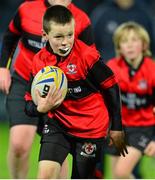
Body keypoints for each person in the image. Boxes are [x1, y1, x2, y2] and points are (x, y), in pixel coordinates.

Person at [24, 5, 128, 179]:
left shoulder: (87, 56)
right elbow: (28, 104)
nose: (66, 42)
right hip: (58, 125)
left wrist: (117, 127)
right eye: (58, 36)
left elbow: (111, 87)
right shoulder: (39, 62)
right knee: (45, 175)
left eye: (70, 35)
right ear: (44, 35)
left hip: (90, 128)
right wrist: (40, 109)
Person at [0, 0, 95, 178]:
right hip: (23, 81)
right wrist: (3, 67)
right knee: (19, 145)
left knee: (58, 152)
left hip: (61, 89)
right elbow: (10, 36)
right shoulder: (26, 9)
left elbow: (90, 62)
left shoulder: (81, 20)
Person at [106, 21, 155, 179]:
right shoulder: (113, 67)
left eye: (134, 40)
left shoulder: (152, 70)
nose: (130, 45)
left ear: (144, 45)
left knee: (121, 172)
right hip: (119, 128)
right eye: (125, 41)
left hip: (143, 128)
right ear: (119, 47)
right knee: (116, 176)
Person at [90, 0, 155, 62]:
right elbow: (89, 47)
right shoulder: (101, 13)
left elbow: (152, 48)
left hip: (137, 70)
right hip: (107, 69)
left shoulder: (145, 14)